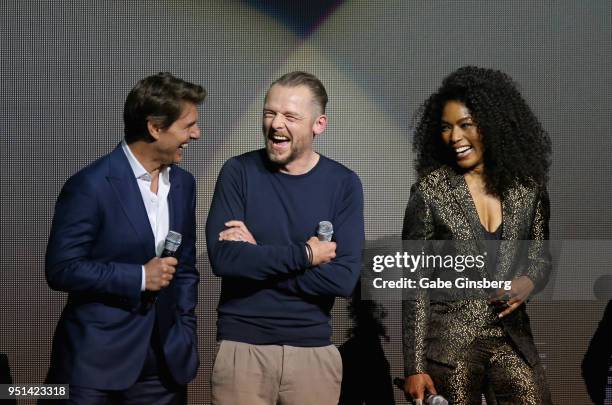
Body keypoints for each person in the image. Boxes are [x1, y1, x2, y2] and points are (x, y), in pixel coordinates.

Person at [45, 73, 205, 404]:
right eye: (188, 125)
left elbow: (185, 266)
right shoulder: (91, 186)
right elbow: (61, 268)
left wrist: (184, 327)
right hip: (93, 368)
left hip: (164, 365)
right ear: (155, 128)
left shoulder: (184, 185)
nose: (196, 134)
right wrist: (139, 277)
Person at [206, 71, 364, 405]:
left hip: (313, 354)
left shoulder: (344, 183)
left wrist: (257, 257)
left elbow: (342, 280)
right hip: (242, 349)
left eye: (290, 116)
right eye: (269, 113)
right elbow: (224, 260)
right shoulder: (237, 172)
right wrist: (306, 256)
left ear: (318, 124)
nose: (276, 124)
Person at [402, 66, 552, 404]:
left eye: (465, 125)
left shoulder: (529, 189)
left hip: (511, 337)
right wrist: (413, 366)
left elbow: (540, 257)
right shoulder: (430, 192)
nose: (455, 137)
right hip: (450, 346)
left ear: (493, 125)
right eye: (446, 127)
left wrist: (529, 281)